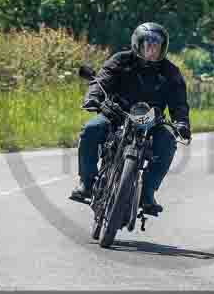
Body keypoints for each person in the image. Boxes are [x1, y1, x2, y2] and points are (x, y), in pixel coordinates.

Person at [70, 22, 192, 215]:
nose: (152, 50)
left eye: (156, 46)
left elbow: (179, 102)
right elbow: (102, 80)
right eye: (148, 45)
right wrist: (93, 97)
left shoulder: (170, 72)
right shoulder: (121, 60)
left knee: (168, 141)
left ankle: (148, 193)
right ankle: (86, 183)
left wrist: (182, 122)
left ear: (163, 48)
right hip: (117, 114)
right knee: (91, 129)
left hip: (151, 121)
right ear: (138, 44)